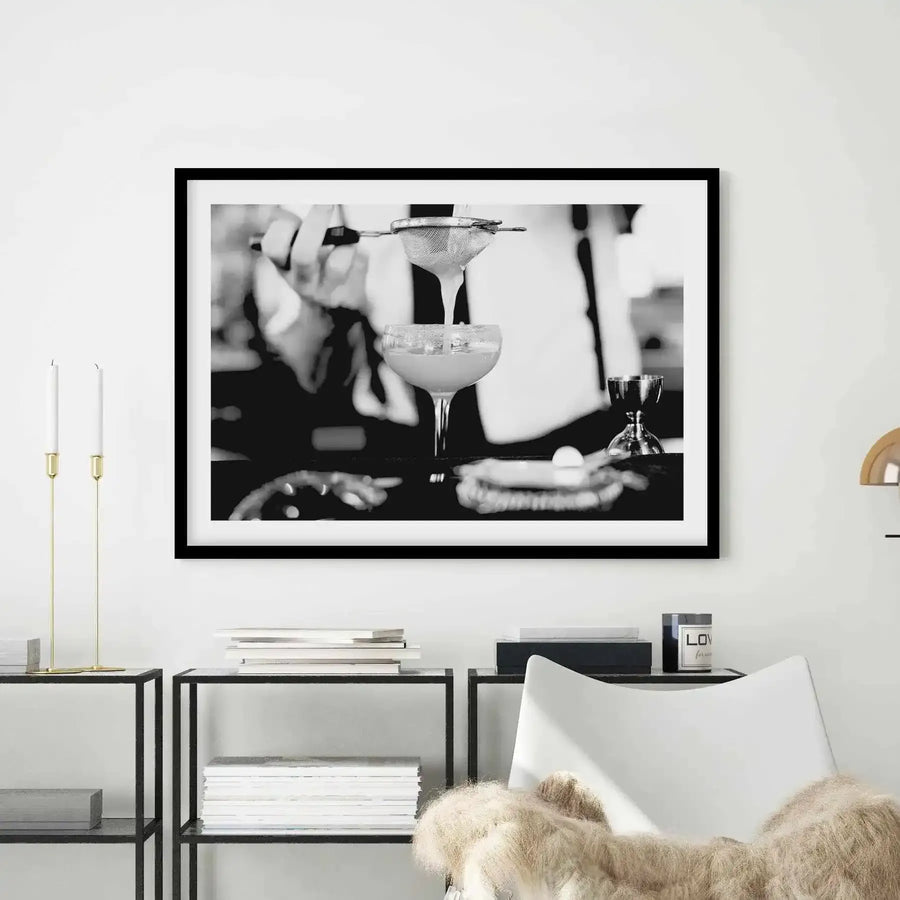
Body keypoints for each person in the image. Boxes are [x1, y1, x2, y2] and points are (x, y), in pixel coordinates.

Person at [230, 202, 650, 460]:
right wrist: (322, 308)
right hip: (397, 448)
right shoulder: (334, 165)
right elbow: (315, 376)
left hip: (574, 444)